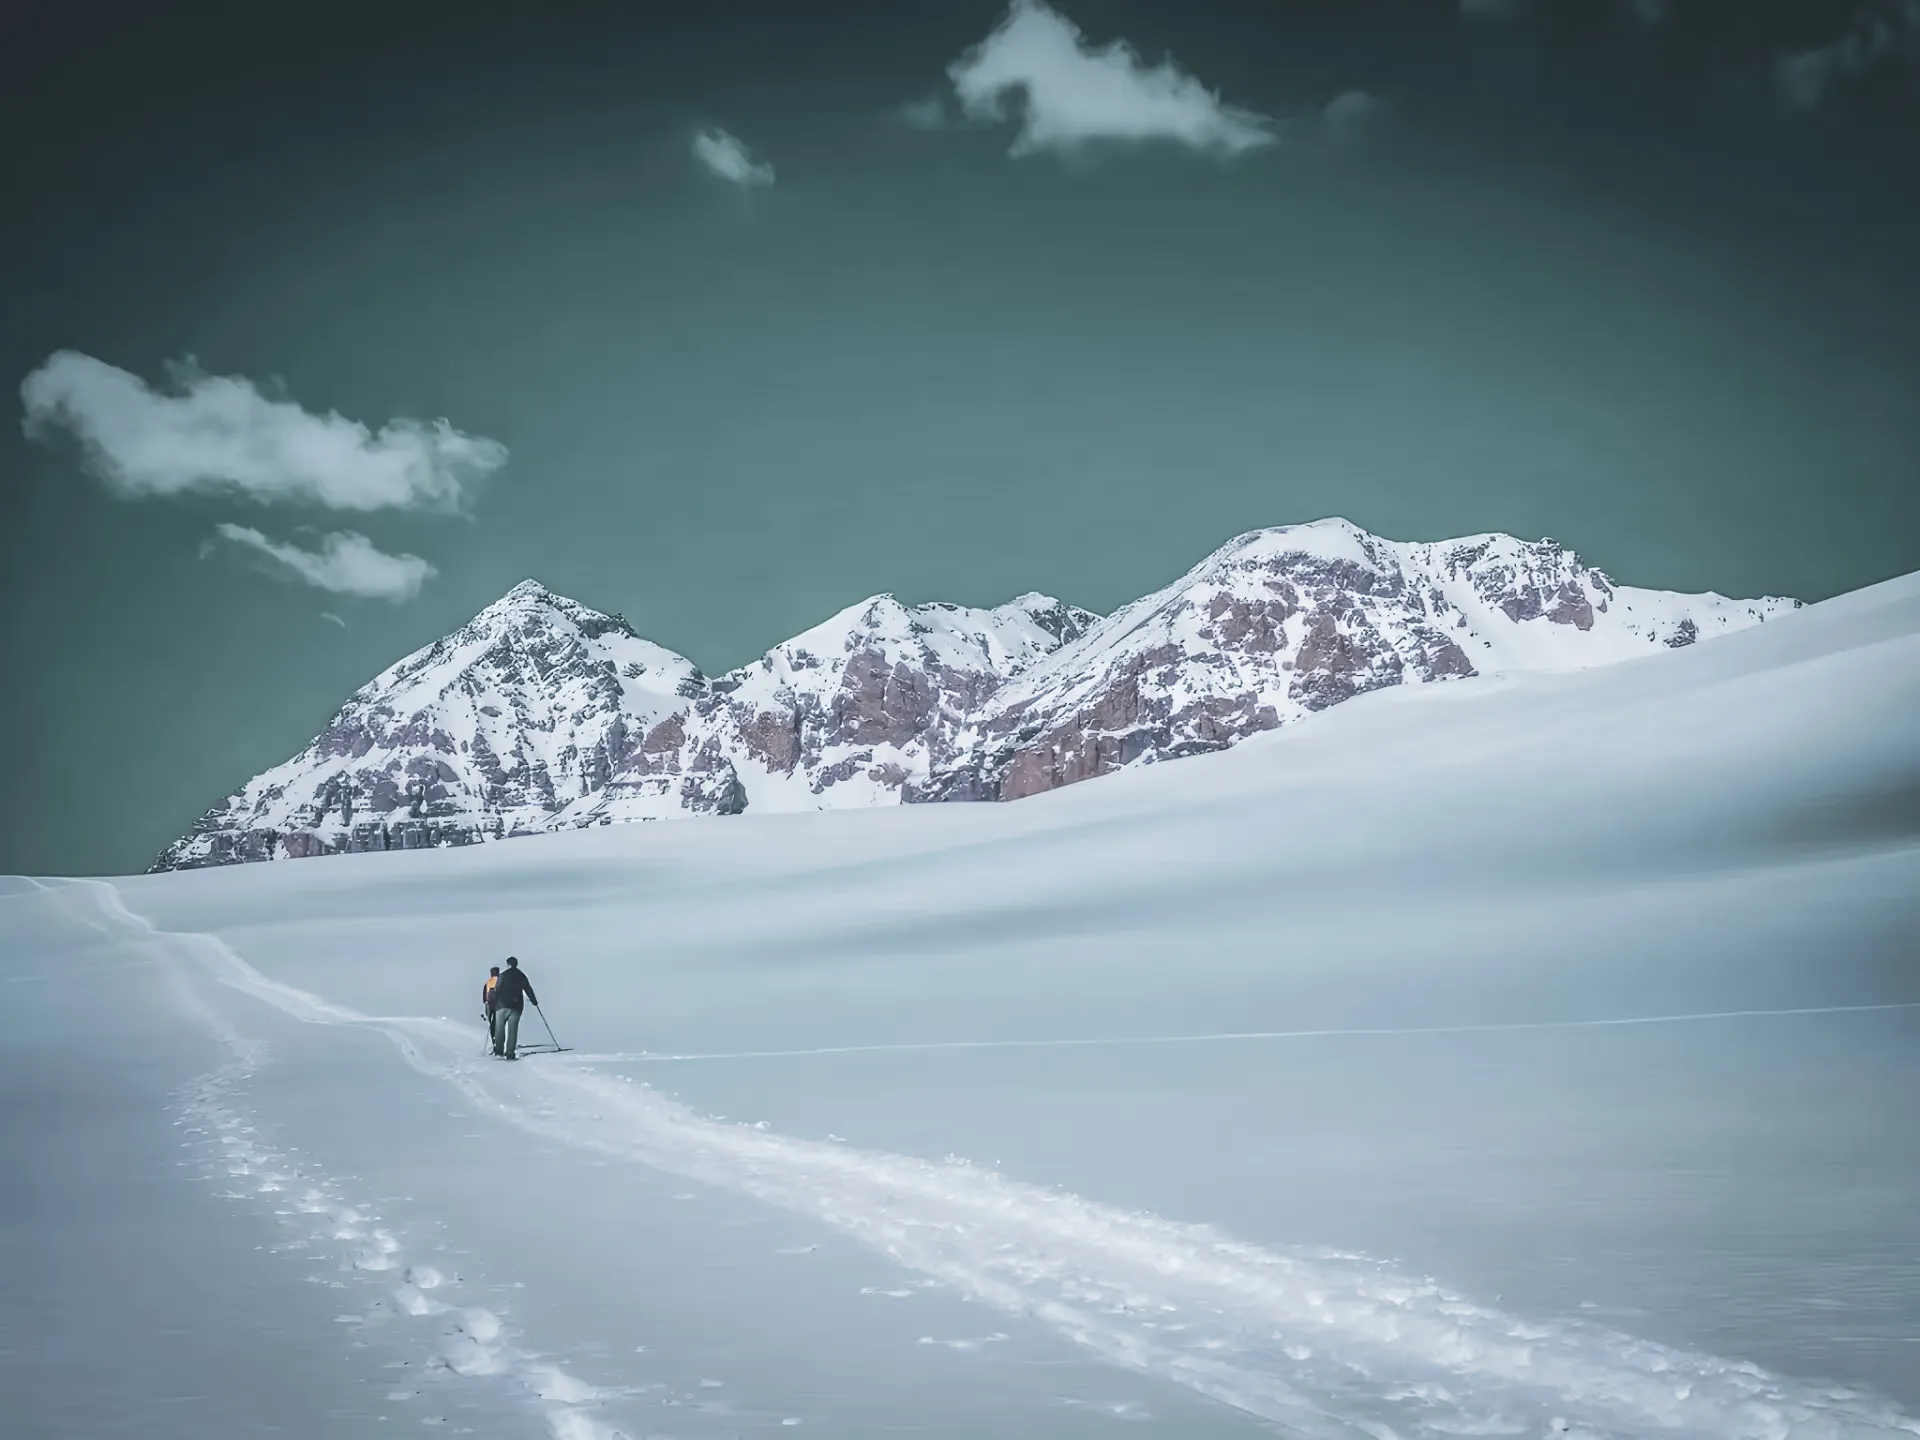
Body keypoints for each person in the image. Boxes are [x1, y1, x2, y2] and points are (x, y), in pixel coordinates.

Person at [489, 956, 539, 1060]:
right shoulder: (521, 976)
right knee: (513, 1030)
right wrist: (534, 1001)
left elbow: (497, 989)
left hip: (501, 1006)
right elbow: (528, 989)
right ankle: (510, 1053)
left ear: (508, 964)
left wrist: (492, 1002)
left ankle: (499, 1052)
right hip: (516, 1007)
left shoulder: (502, 975)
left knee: (499, 1030)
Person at [482, 966, 501, 1051]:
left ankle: (494, 1044)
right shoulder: (501, 981)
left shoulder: (488, 983)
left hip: (489, 1007)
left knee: (492, 1026)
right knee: (500, 1026)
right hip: (500, 1006)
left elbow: (484, 999)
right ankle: (501, 1045)